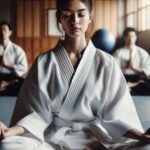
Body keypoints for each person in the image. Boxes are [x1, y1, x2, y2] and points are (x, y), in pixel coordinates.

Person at [0, 0, 150, 149]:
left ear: (90, 16)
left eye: (81, 14)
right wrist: (9, 131)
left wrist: (141, 136)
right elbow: (35, 115)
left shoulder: (107, 62)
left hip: (96, 136)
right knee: (9, 145)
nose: (75, 21)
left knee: (144, 147)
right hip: (53, 137)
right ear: (59, 17)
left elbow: (118, 114)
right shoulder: (44, 62)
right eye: (67, 15)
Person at [113, 27, 150, 95]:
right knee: (113, 83)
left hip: (138, 78)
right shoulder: (118, 52)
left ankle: (129, 87)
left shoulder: (142, 52)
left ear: (136, 37)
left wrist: (134, 67)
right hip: (123, 78)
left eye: (132, 36)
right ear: (124, 38)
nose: (130, 39)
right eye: (128, 36)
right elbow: (113, 70)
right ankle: (130, 88)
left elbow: (148, 69)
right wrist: (125, 67)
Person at [0, 21, 28, 96]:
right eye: (0, 30)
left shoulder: (17, 49)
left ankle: (6, 84)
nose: (2, 32)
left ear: (10, 32)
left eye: (4, 30)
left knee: (23, 82)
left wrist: (6, 65)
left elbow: (24, 67)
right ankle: (3, 85)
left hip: (11, 78)